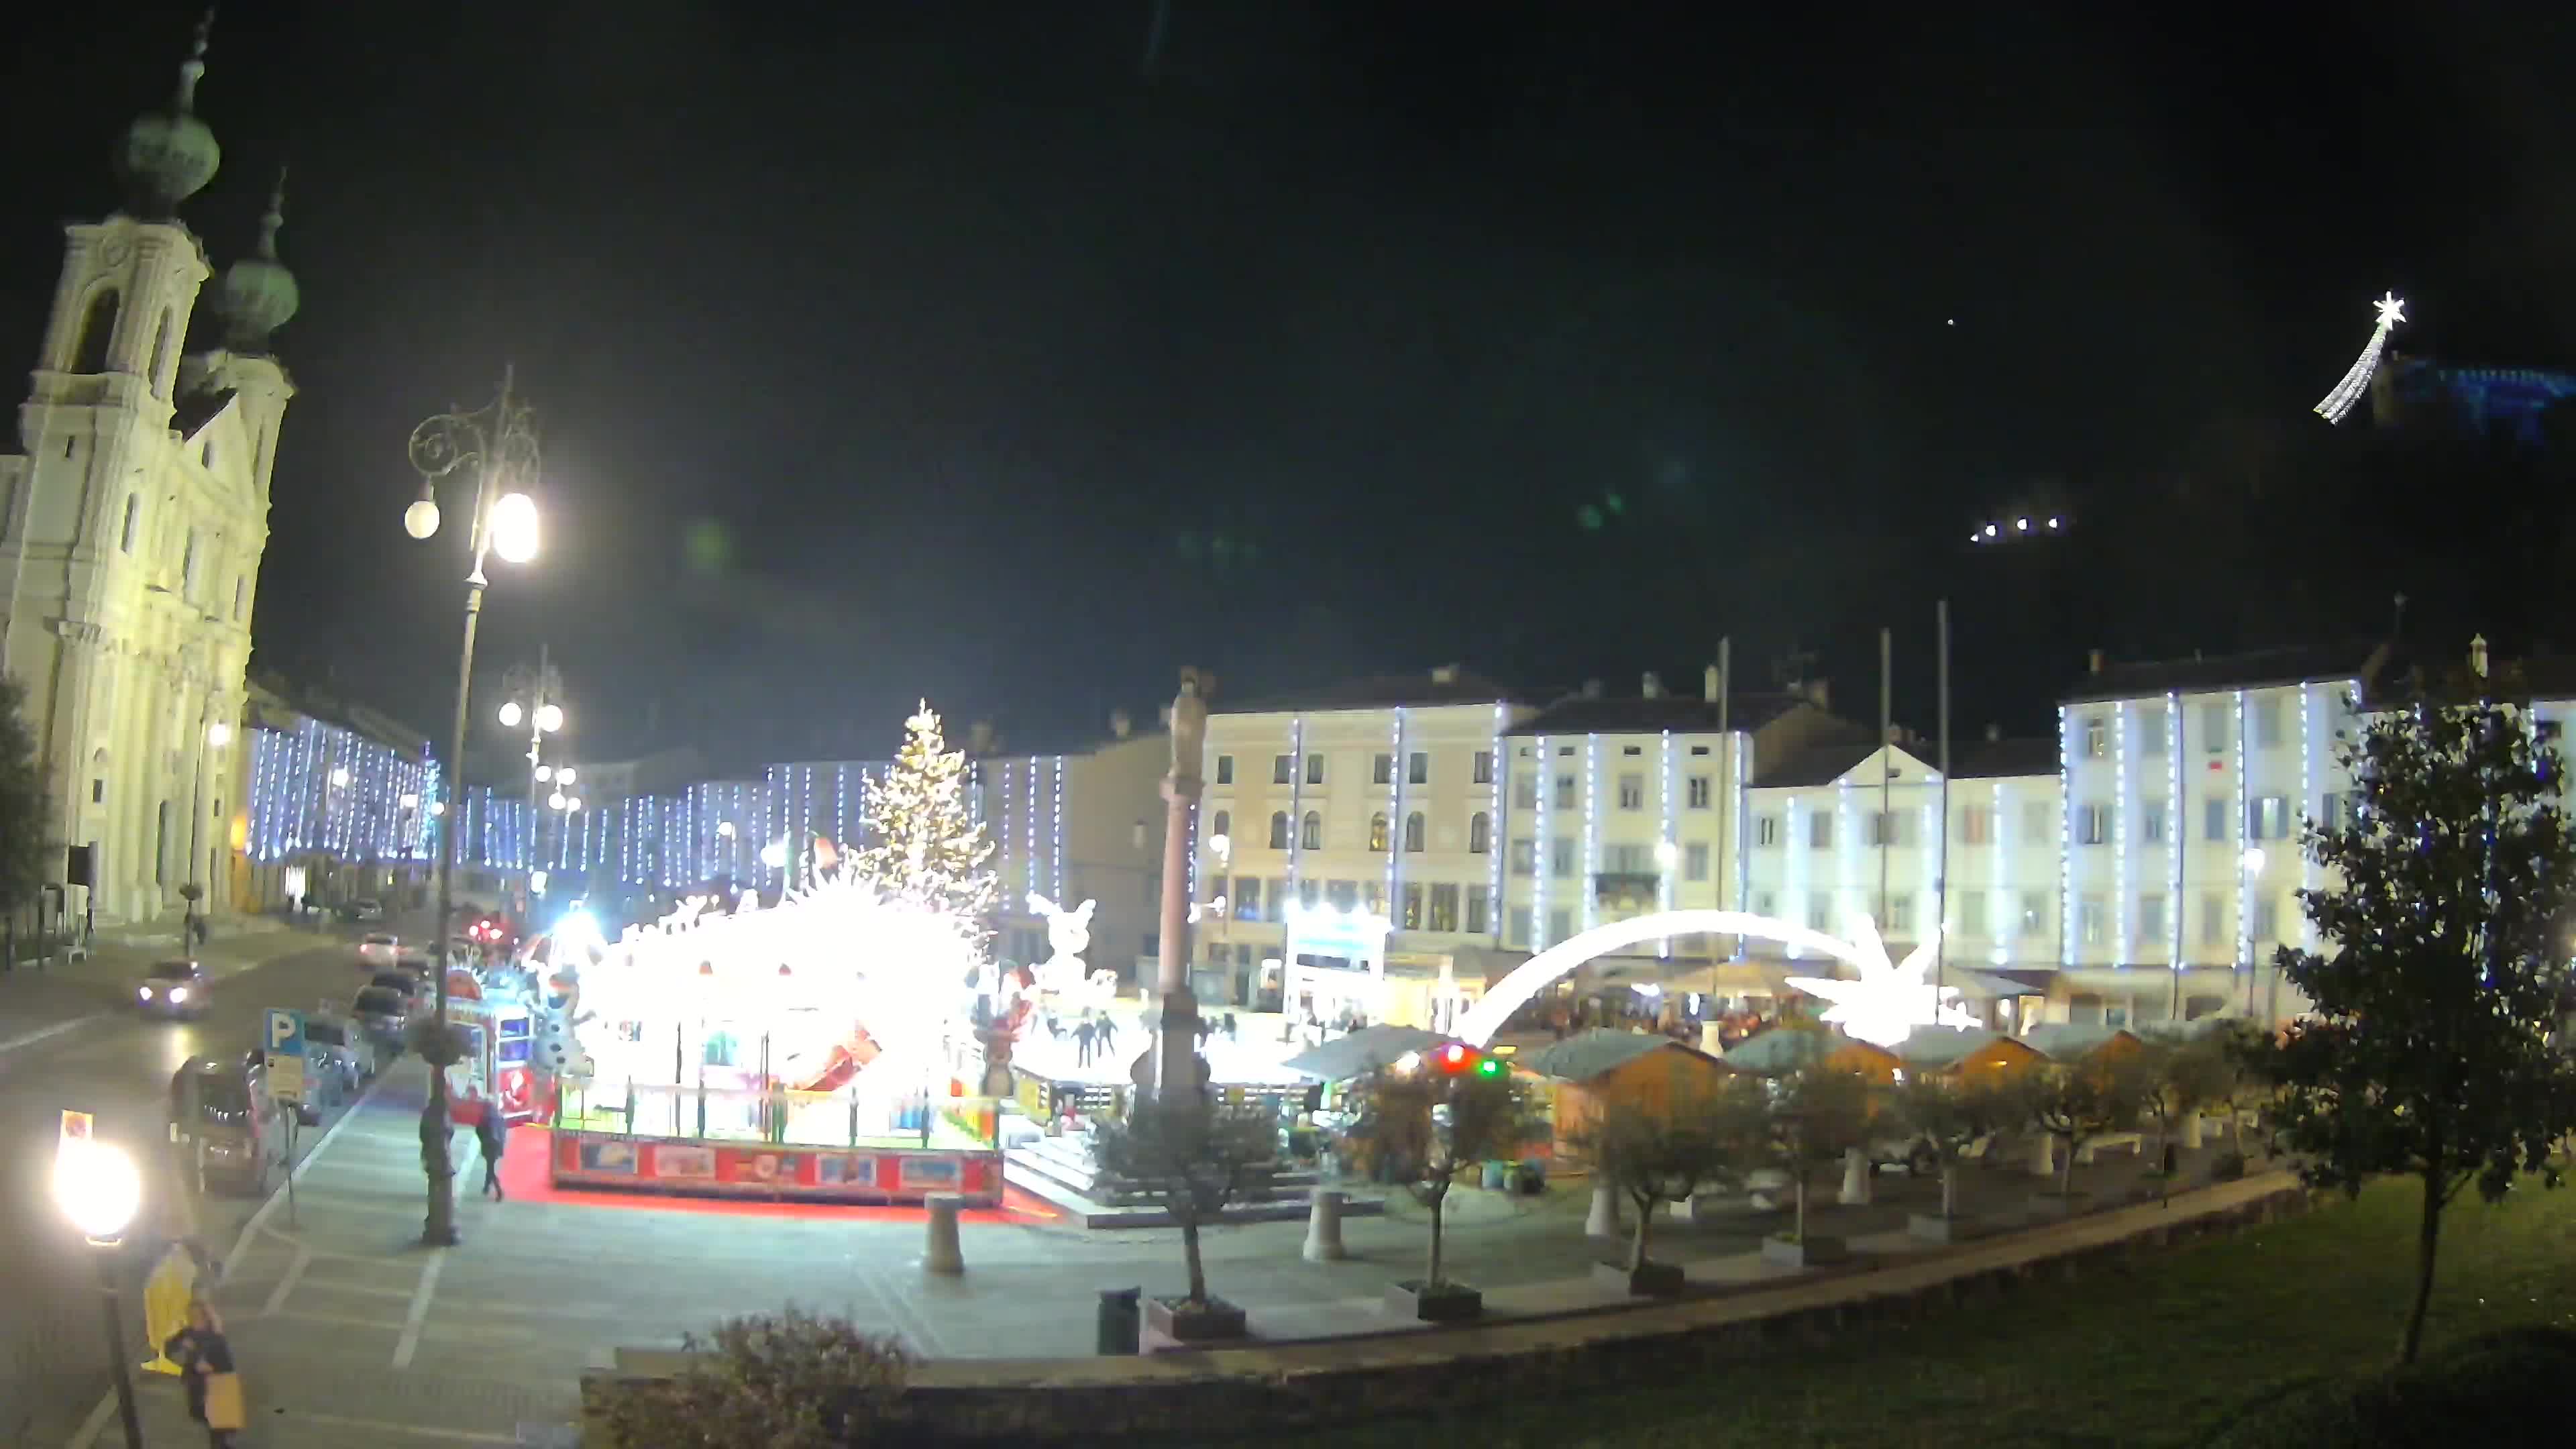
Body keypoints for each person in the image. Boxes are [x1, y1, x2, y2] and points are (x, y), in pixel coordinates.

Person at [164, 1299, 243, 1448]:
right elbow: (169, 1347)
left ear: (204, 1316)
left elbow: (219, 1355)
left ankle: (221, 1440)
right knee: (196, 1411)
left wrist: (194, 1351)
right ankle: (220, 1435)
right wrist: (174, 1346)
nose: (194, 1317)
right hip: (196, 1380)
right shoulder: (187, 1332)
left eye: (197, 1314)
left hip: (215, 1380)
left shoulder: (214, 1334)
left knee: (215, 1415)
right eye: (191, 1314)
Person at [474, 1108, 507, 1200]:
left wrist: (483, 1141)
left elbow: (479, 1131)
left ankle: (499, 1191)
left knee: (490, 1169)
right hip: (497, 1145)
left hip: (489, 1146)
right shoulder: (500, 1116)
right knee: (490, 1166)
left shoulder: (484, 1117)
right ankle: (486, 1187)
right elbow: (503, 1131)